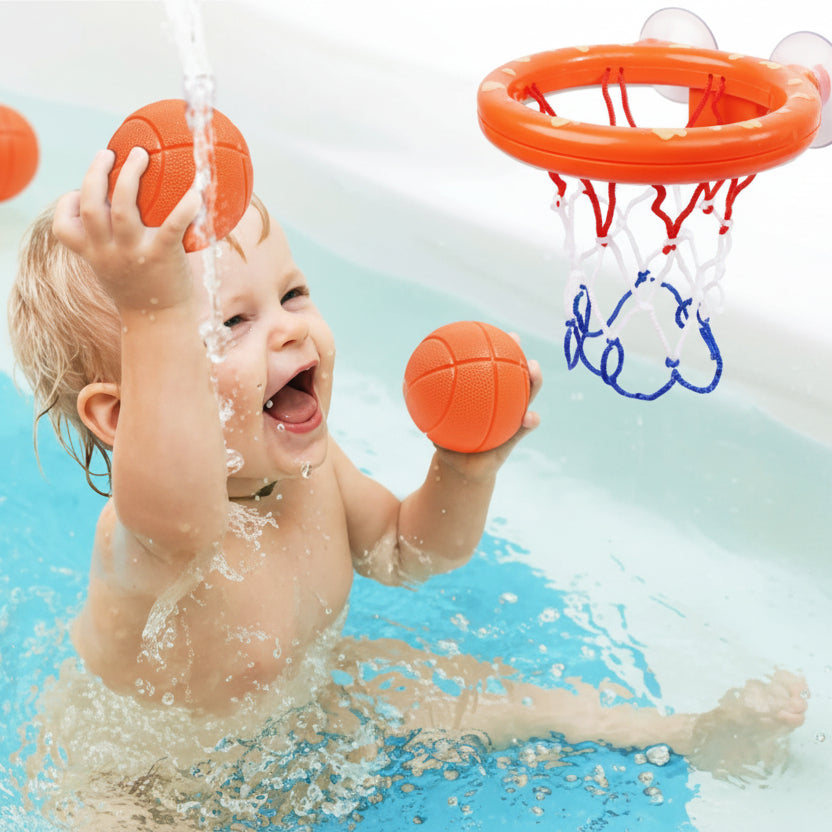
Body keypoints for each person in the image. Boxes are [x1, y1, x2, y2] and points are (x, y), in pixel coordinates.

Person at [8, 146, 807, 779]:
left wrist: (463, 469)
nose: (290, 332)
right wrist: (156, 306)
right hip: (149, 787)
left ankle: (685, 735)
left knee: (490, 690)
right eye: (230, 323)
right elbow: (178, 499)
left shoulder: (314, 474)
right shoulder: (147, 537)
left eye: (291, 295)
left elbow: (406, 551)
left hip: (310, 700)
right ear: (123, 416)